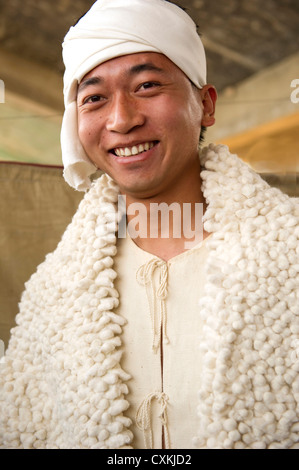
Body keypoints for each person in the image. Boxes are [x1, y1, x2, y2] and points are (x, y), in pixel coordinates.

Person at [0, 0, 298, 450]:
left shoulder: (291, 253)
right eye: (95, 98)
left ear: (205, 103)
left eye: (147, 85)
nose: (122, 119)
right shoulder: (53, 296)